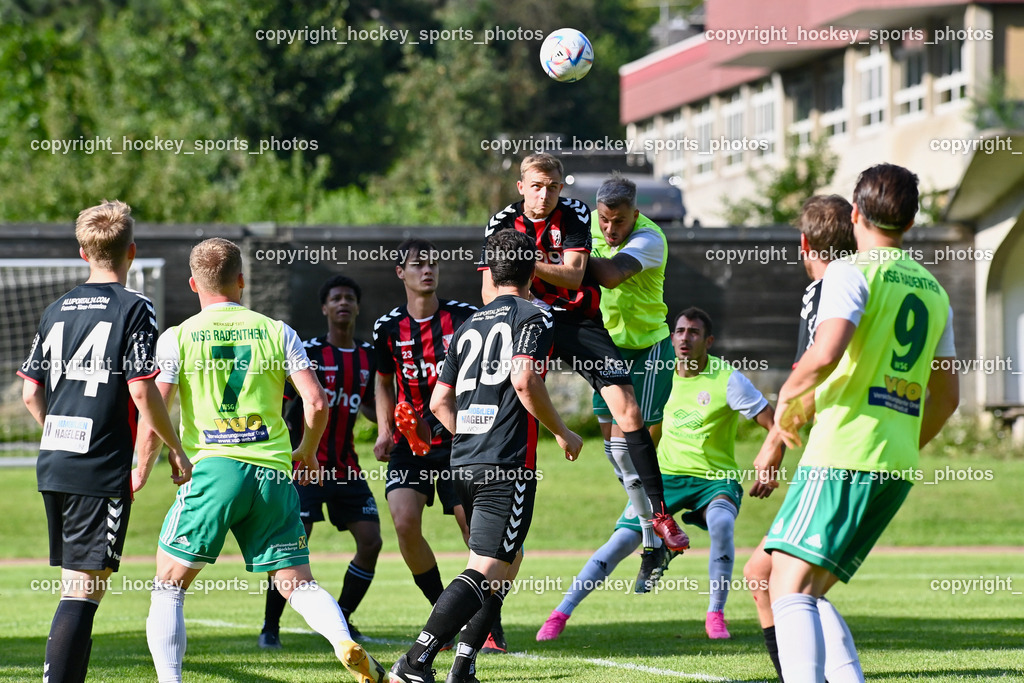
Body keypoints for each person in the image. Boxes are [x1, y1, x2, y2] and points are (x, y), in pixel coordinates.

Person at [138, 238, 385, 683]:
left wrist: (146, 462)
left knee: (169, 585)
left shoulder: (177, 337)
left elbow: (154, 408)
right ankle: (341, 639)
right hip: (273, 473)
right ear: (242, 281)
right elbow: (316, 402)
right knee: (299, 584)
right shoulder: (278, 331)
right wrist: (307, 451)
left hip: (214, 469)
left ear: (194, 283)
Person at [759, 164, 960, 682]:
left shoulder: (851, 271)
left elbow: (824, 354)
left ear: (855, 214)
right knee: (807, 587)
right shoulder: (935, 292)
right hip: (894, 462)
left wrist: (788, 399)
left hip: (843, 452)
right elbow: (948, 397)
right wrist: (902, 441)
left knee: (786, 585)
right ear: (911, 223)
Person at [389, 229, 583, 683]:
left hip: (466, 462)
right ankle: (414, 663)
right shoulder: (534, 316)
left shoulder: (468, 325)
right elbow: (524, 379)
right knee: (487, 567)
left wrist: (471, 437)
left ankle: (464, 666)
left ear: (490, 273)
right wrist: (565, 432)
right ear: (534, 269)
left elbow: (439, 402)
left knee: (505, 563)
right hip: (507, 464)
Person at [18, 199, 191, 683]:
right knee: (83, 590)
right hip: (99, 467)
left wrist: (61, 432)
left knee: (76, 585)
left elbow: (30, 392)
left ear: (82, 252)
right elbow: (141, 388)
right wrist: (174, 447)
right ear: (131, 252)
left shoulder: (56, 309)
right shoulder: (136, 307)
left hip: (56, 462)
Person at [480, 154, 688, 556]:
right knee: (512, 392)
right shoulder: (501, 223)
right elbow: (491, 290)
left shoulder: (577, 213)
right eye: (536, 186)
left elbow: (575, 274)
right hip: (528, 318)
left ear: (562, 187)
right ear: (521, 186)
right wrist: (516, 305)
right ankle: (490, 495)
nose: (545, 194)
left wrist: (523, 262)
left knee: (628, 410)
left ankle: (660, 515)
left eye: (553, 186)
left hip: (578, 321)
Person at [537, 307, 780, 642]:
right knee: (620, 541)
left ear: (708, 341)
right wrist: (636, 480)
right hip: (665, 478)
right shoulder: (658, 376)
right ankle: (559, 614)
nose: (684, 338)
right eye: (679, 331)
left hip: (714, 480)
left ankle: (715, 615)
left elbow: (773, 424)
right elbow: (644, 434)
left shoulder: (727, 378)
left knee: (722, 526)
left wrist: (771, 462)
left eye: (693, 332)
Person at [742, 195, 857, 680]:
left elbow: (809, 376)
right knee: (775, 578)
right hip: (862, 451)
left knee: (778, 580)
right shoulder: (871, 283)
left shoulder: (825, 290)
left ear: (805, 243)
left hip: (833, 451)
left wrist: (773, 446)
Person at [372, 239, 489, 645]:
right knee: (404, 522)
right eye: (418, 265)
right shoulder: (386, 328)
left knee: (474, 532)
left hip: (461, 436)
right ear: (400, 273)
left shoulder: (466, 318)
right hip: (411, 441)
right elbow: (383, 381)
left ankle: (487, 619)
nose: (428, 271)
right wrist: (386, 429)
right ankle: (445, 609)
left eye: (433, 264)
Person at [259, 275, 382, 648]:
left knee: (371, 541)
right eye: (336, 298)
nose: (343, 303)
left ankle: (341, 619)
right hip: (304, 467)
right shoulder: (307, 353)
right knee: (292, 548)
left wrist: (394, 425)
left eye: (349, 298)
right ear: (325, 308)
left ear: (357, 307)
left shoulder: (367, 356)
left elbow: (370, 406)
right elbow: (280, 401)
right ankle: (270, 628)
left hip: (346, 469)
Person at [583, 175, 677, 591]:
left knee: (628, 444)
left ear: (635, 215)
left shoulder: (650, 239)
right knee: (615, 454)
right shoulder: (588, 229)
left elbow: (610, 275)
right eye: (604, 221)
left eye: (618, 221)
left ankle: (654, 535)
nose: (609, 229)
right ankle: (655, 531)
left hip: (649, 350)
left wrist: (556, 261)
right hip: (609, 349)